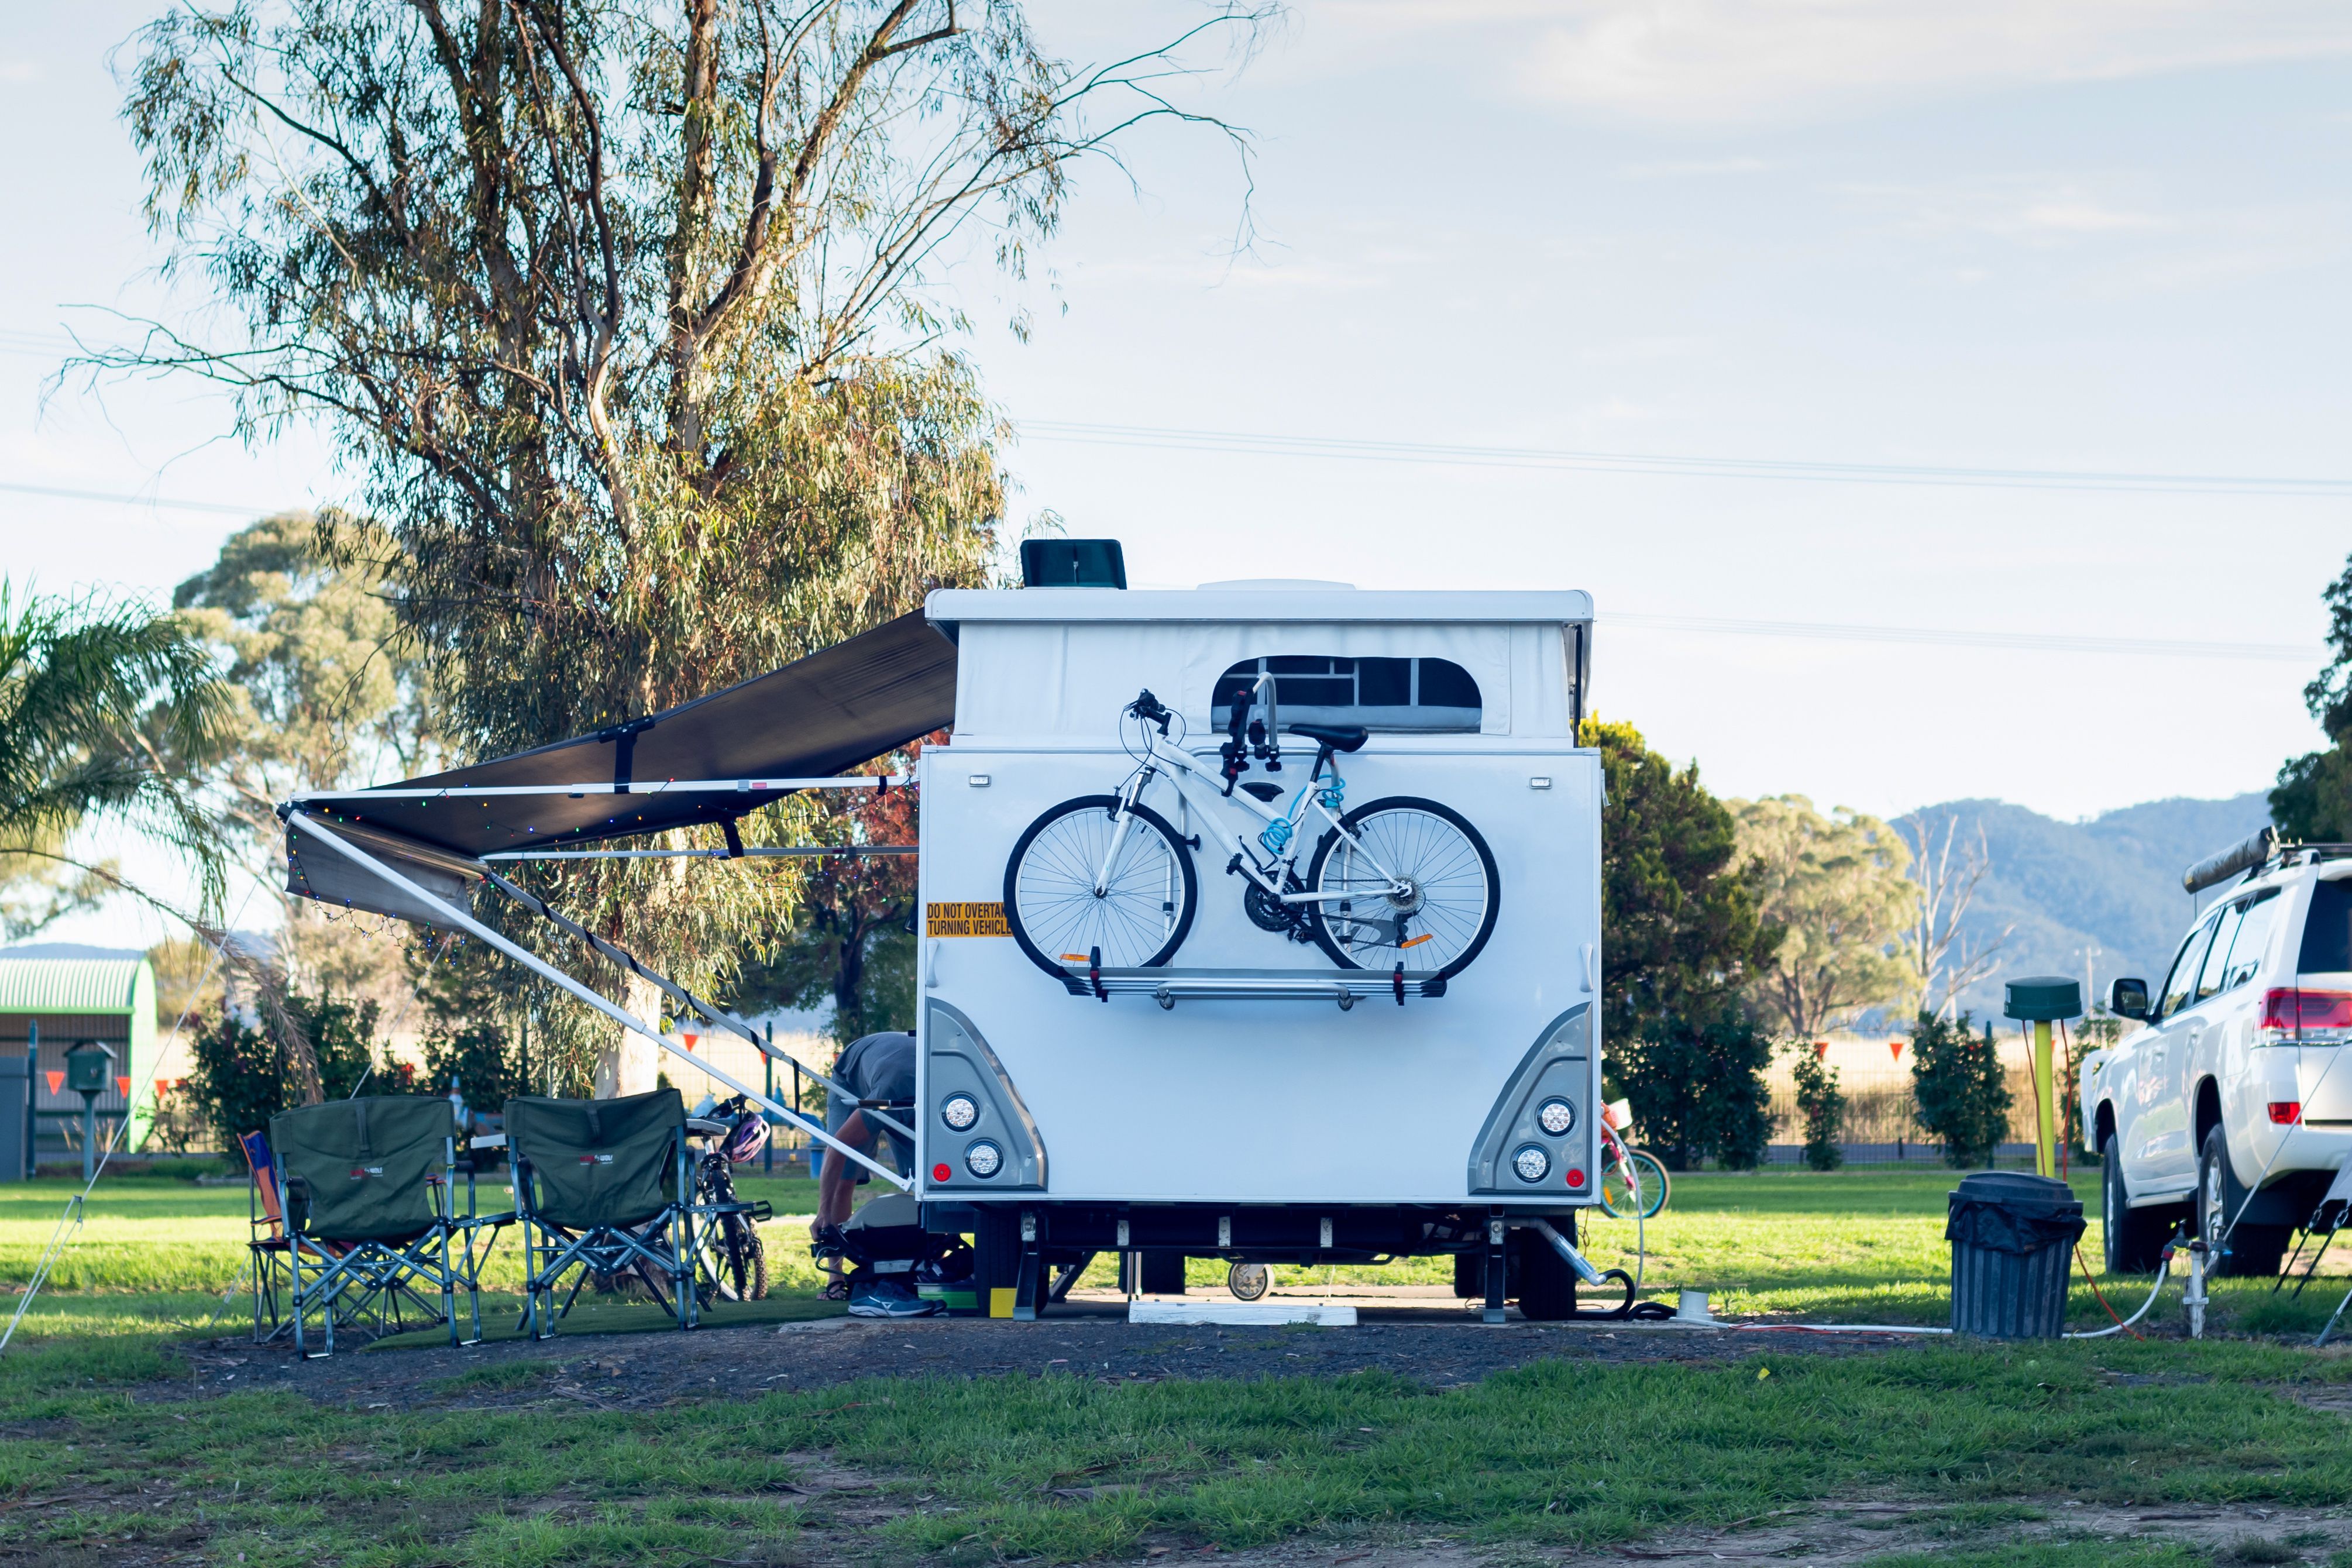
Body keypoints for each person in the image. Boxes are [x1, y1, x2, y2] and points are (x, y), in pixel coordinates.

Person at [811, 1030, 916, 1297]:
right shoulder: (892, 1090)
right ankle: (835, 1278)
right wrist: (823, 1212)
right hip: (852, 1078)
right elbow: (838, 1146)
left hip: (901, 1078)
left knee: (922, 1181)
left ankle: (931, 1267)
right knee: (845, 1178)